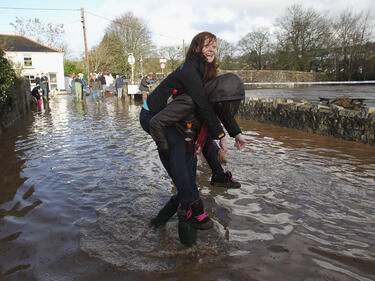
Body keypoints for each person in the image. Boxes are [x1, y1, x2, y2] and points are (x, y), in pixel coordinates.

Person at [140, 31, 243, 232]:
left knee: (193, 157)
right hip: (153, 116)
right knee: (181, 156)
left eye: (214, 46)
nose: (211, 50)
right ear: (196, 48)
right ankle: (191, 207)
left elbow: (216, 102)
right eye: (207, 46)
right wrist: (220, 135)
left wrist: (235, 133)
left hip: (176, 118)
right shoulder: (189, 70)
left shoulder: (207, 70)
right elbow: (203, 104)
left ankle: (163, 222)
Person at [148, 73, 248, 231]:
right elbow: (155, 123)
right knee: (188, 193)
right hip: (175, 149)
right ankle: (183, 239)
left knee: (186, 192)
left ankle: (158, 225)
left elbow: (224, 114)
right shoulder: (189, 101)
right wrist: (167, 150)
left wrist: (236, 134)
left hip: (189, 147)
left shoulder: (213, 102)